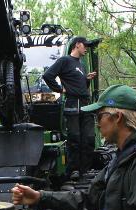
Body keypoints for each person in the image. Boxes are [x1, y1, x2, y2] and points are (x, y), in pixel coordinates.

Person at [42, 36, 97, 180]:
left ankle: (86, 170)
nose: (86, 48)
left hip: (86, 104)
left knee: (89, 138)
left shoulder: (82, 65)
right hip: (73, 104)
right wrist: (60, 90)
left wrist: (86, 79)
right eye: (85, 45)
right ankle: (73, 171)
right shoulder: (65, 61)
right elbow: (48, 75)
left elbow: (81, 87)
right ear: (77, 45)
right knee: (75, 139)